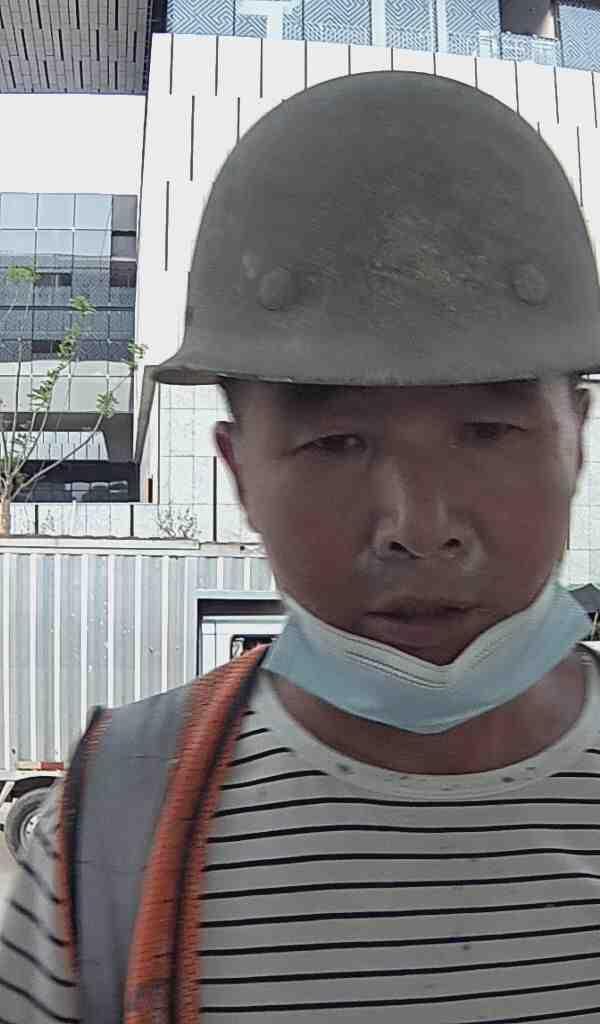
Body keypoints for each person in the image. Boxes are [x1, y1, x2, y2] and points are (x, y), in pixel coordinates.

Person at [2, 69, 600, 1024]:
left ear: (576, 441)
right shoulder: (111, 825)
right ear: (239, 470)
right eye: (337, 442)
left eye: (489, 432)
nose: (419, 527)